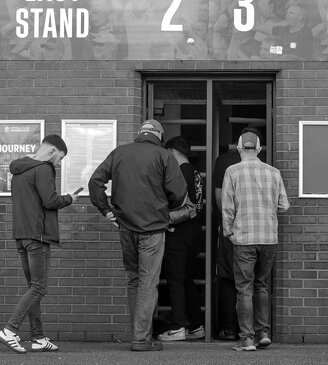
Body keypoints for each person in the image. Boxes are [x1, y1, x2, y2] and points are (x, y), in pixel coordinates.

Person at [89, 119, 188, 352]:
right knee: (147, 284)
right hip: (152, 229)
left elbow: (95, 181)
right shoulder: (164, 156)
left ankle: (138, 334)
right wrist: (164, 207)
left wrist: (106, 210)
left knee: (134, 280)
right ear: (160, 136)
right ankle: (141, 339)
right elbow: (179, 192)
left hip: (125, 227)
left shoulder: (119, 152)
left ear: (140, 133)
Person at [0, 134, 76, 354]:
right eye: (59, 158)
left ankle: (38, 337)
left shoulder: (19, 170)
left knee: (34, 287)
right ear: (52, 152)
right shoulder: (43, 169)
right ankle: (10, 330)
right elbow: (50, 201)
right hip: (38, 236)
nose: (58, 164)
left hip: (21, 235)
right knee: (39, 287)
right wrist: (69, 198)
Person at [221, 131, 290, 351]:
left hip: (244, 238)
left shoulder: (232, 171)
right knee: (261, 286)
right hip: (268, 238)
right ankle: (263, 333)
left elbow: (227, 207)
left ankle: (247, 338)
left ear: (239, 148)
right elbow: (284, 205)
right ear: (259, 149)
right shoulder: (274, 172)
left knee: (244, 289)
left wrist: (228, 231)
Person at [210, 126, 266, 341]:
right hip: (261, 232)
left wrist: (227, 225)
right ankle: (258, 331)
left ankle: (230, 328)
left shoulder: (224, 161)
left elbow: (219, 197)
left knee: (227, 276)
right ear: (258, 145)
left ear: (238, 142)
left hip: (232, 229)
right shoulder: (266, 164)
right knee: (256, 281)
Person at [157, 136, 205, 342]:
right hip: (193, 233)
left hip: (178, 232)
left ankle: (178, 325)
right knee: (187, 280)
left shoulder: (179, 172)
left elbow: (172, 200)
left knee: (175, 280)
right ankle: (196, 325)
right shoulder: (194, 172)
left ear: (171, 152)